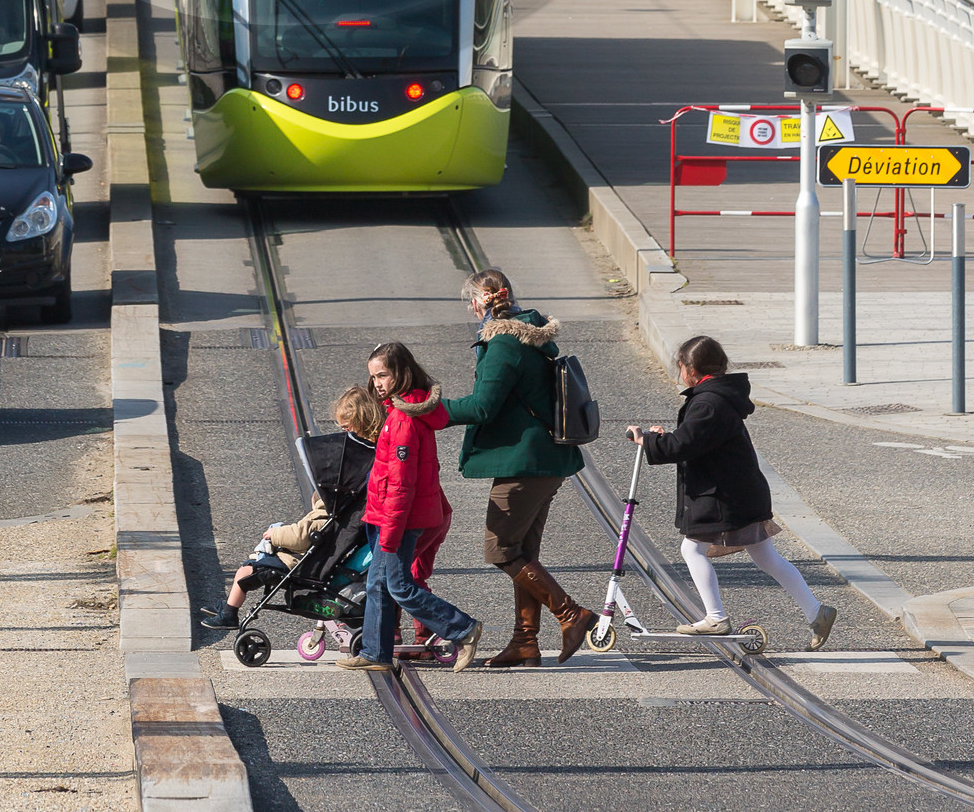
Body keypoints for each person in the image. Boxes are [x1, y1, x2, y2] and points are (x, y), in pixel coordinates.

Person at [628, 334, 836, 649]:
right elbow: (695, 439)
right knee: (767, 557)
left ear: (690, 369)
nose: (680, 371)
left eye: (681, 365)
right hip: (741, 492)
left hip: (724, 497)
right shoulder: (717, 397)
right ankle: (817, 612)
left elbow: (686, 443)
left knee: (692, 549)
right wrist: (662, 438)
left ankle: (715, 617)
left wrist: (649, 441)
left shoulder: (708, 402)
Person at [438, 268, 595, 667]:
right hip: (547, 459)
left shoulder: (504, 342)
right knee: (524, 552)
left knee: (500, 549)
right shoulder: (529, 333)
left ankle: (571, 614)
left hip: (526, 462)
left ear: (478, 304)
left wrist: (428, 409)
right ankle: (525, 642)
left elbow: (481, 406)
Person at [338, 342, 482, 675]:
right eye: (374, 376)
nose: (377, 383)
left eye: (383, 375)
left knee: (399, 585)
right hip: (384, 515)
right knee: (377, 585)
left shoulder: (403, 419)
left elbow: (401, 485)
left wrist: (389, 532)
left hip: (398, 520)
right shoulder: (402, 411)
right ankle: (375, 652)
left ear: (401, 373)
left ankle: (462, 629)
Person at [200, 387, 381, 631]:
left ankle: (230, 614)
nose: (344, 431)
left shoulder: (330, 512)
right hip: (298, 555)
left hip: (296, 561)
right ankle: (227, 606)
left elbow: (303, 535)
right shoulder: (341, 505)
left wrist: (274, 534)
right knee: (250, 563)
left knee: (245, 571)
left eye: (346, 426)